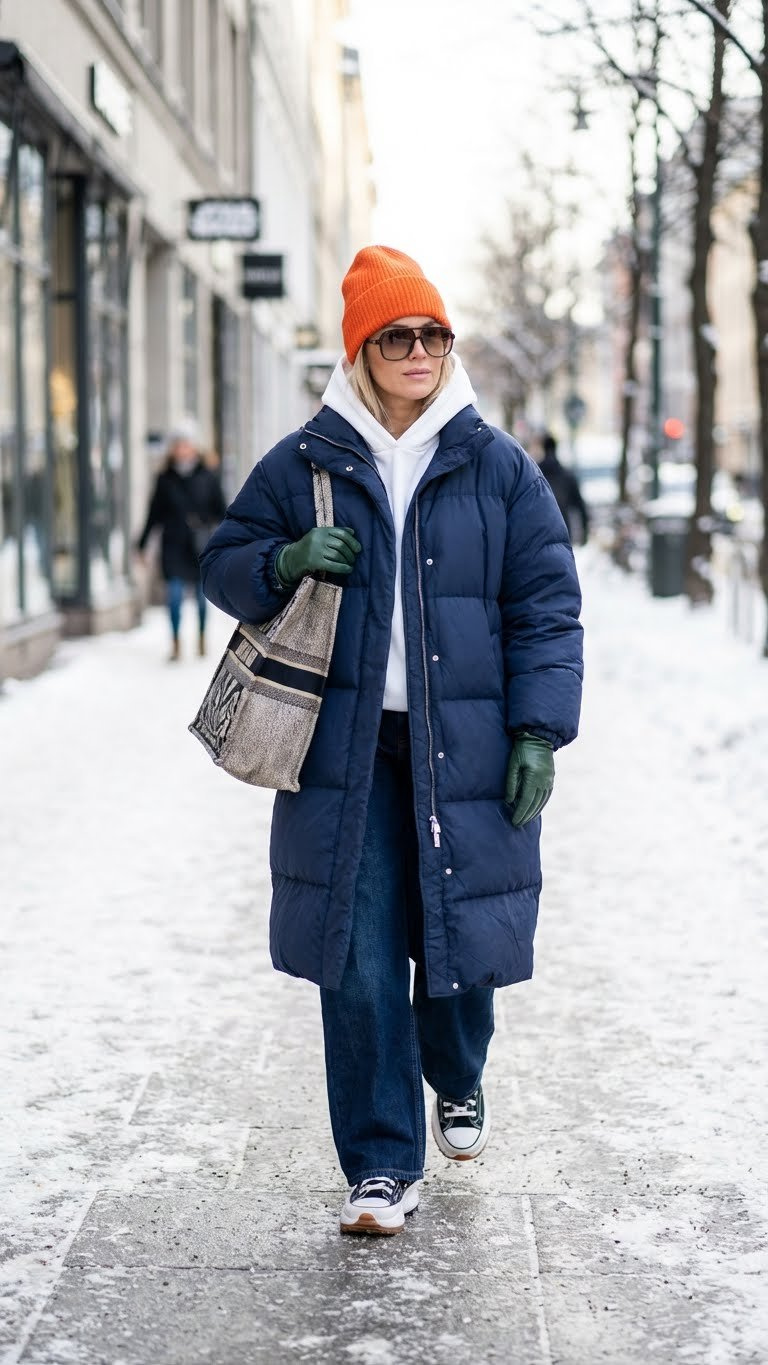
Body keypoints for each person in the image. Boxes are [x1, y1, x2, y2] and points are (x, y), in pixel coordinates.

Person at [200, 246, 583, 1236]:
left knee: (462, 948)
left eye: (432, 334)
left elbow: (546, 605)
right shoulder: (306, 463)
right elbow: (223, 562)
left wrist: (539, 730)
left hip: (466, 743)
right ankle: (379, 1163)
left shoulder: (496, 465)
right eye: (396, 336)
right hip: (345, 754)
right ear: (361, 350)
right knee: (360, 956)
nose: (418, 351)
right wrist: (283, 557)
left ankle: (456, 1073)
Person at [136, 421, 226, 660]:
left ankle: (201, 638)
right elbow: (154, 513)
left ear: (194, 446)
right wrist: (142, 544)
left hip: (199, 544)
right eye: (178, 445)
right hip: (173, 544)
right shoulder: (165, 479)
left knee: (200, 596)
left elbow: (222, 510)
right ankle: (175, 642)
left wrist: (208, 525)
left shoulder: (208, 476)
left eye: (186, 444)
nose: (182, 449)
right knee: (174, 595)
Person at [536, 431, 590, 545]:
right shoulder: (567, 476)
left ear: (543, 448)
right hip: (562, 530)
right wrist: (585, 532)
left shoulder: (534, 475)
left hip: (538, 532)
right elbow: (580, 506)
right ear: (556, 448)